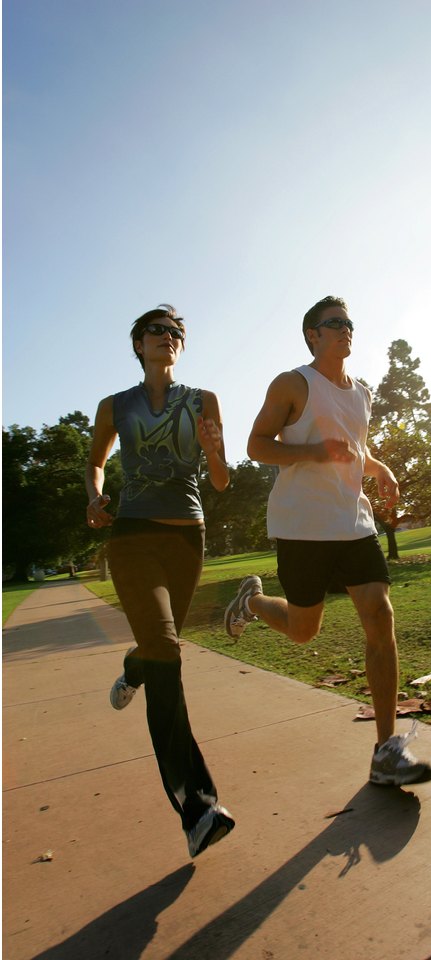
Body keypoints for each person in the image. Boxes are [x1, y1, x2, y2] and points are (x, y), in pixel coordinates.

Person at [225, 295, 431, 787]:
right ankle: (253, 601)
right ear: (312, 335)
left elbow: (355, 448)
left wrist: (378, 468)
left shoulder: (360, 393)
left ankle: (386, 751)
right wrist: (314, 450)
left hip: (353, 523)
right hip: (302, 526)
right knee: (303, 631)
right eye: (332, 323)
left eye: (348, 322)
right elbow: (257, 446)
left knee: (380, 617)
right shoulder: (292, 383)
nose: (344, 329)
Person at [85, 303, 235, 858]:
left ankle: (132, 667)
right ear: (138, 343)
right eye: (157, 331)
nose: (167, 337)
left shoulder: (204, 400)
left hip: (186, 538)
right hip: (131, 536)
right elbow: (96, 460)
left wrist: (215, 446)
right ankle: (198, 809)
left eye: (176, 333)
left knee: (159, 648)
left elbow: (219, 481)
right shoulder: (115, 406)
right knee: (167, 649)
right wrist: (94, 496)